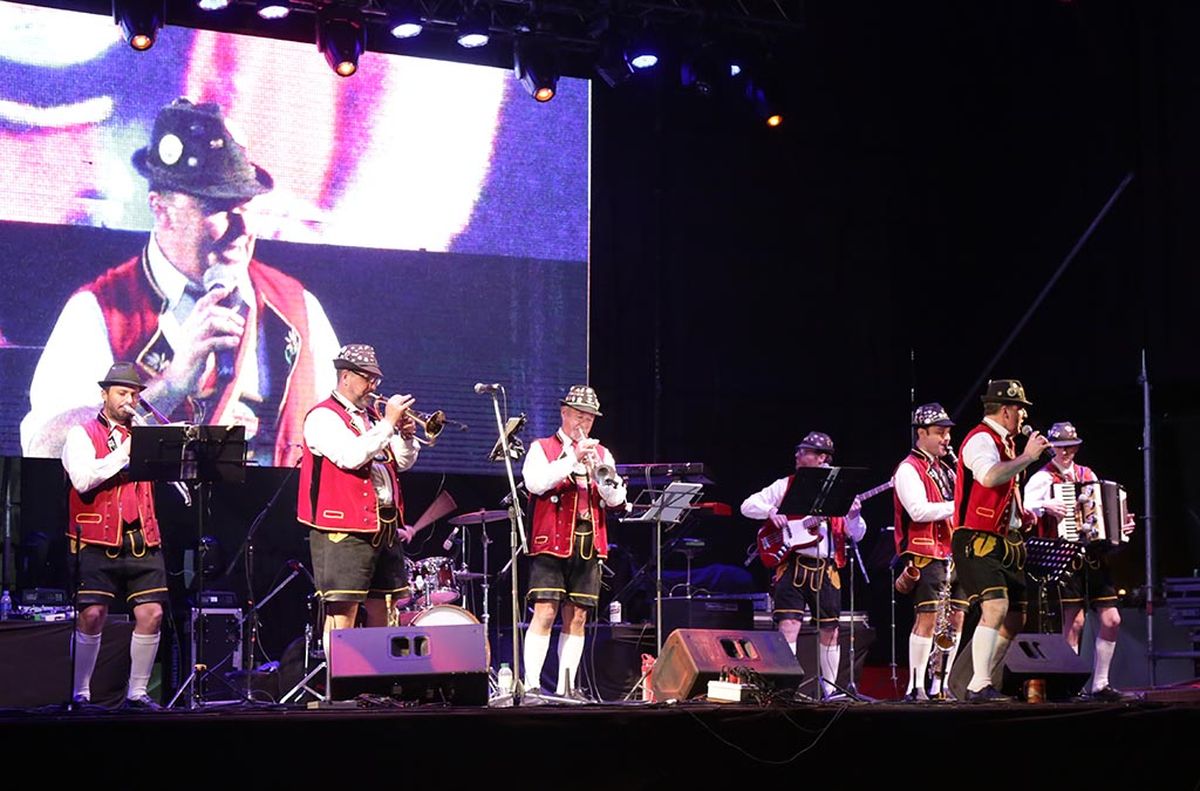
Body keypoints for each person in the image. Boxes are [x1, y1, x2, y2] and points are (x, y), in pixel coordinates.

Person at [21, 97, 340, 467]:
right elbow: (44, 449)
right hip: (155, 522)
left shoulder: (298, 307)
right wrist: (167, 388)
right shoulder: (100, 311)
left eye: (246, 206)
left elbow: (343, 437)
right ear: (161, 208)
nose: (242, 229)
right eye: (216, 208)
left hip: (273, 522)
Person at [297, 344, 420, 638]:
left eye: (376, 380)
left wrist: (403, 435)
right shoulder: (322, 417)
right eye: (367, 378)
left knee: (385, 609)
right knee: (344, 613)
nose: (373, 387)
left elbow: (401, 463)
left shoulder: (374, 421)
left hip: (383, 528)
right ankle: (338, 684)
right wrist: (389, 424)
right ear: (346, 377)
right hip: (343, 529)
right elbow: (350, 457)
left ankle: (374, 682)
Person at [63, 362, 167, 709]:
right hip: (96, 537)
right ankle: (80, 694)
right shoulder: (81, 433)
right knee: (92, 615)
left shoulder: (145, 436)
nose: (129, 400)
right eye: (122, 393)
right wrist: (123, 455)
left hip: (142, 538)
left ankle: (137, 693)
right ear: (104, 394)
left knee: (151, 613)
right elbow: (83, 479)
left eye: (134, 394)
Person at [741, 431, 866, 700]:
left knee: (830, 629)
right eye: (799, 451)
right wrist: (770, 512)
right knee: (789, 625)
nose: (797, 455)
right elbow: (747, 505)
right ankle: (786, 690)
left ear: (822, 458)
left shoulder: (841, 489)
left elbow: (857, 534)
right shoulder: (785, 484)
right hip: (793, 564)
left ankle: (830, 691)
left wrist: (854, 515)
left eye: (804, 452)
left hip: (826, 567)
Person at [521, 385, 627, 700]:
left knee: (578, 615)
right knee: (545, 611)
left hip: (588, 543)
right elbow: (536, 483)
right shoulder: (542, 447)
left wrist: (599, 474)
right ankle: (531, 686)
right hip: (551, 540)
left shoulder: (603, 454)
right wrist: (572, 457)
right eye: (579, 415)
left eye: (590, 418)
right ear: (564, 413)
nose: (585, 423)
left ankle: (566, 687)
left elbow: (616, 498)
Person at [1023, 421, 1136, 701]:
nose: (1066, 453)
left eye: (1070, 447)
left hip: (1093, 557)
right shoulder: (1042, 478)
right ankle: (1068, 687)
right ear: (1052, 448)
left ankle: (1100, 684)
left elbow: (1101, 513)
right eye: (1060, 448)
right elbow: (1024, 509)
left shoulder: (1087, 475)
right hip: (1064, 558)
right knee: (1074, 623)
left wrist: (1121, 526)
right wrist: (1045, 506)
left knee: (1112, 619)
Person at [953, 379, 1049, 701]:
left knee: (1016, 616)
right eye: (1020, 409)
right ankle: (978, 684)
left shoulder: (1004, 442)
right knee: (995, 606)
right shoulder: (980, 439)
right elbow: (990, 476)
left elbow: (1005, 489)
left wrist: (1022, 516)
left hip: (1006, 542)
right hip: (976, 539)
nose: (1023, 416)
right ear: (1007, 410)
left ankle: (983, 678)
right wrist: (1028, 457)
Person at [892, 402, 966, 701]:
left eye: (948, 433)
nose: (946, 439)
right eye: (939, 433)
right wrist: (961, 505)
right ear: (921, 433)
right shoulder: (908, 469)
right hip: (926, 552)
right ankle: (916, 686)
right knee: (928, 618)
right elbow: (918, 510)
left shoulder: (946, 469)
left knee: (957, 618)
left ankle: (940, 684)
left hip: (954, 551)